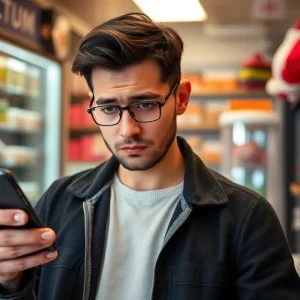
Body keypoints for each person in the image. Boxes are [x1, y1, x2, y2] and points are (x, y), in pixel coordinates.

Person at [0, 12, 299, 300]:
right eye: (108, 109)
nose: (128, 130)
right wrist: (10, 283)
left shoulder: (247, 217)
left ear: (181, 98)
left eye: (144, 105)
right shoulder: (59, 201)